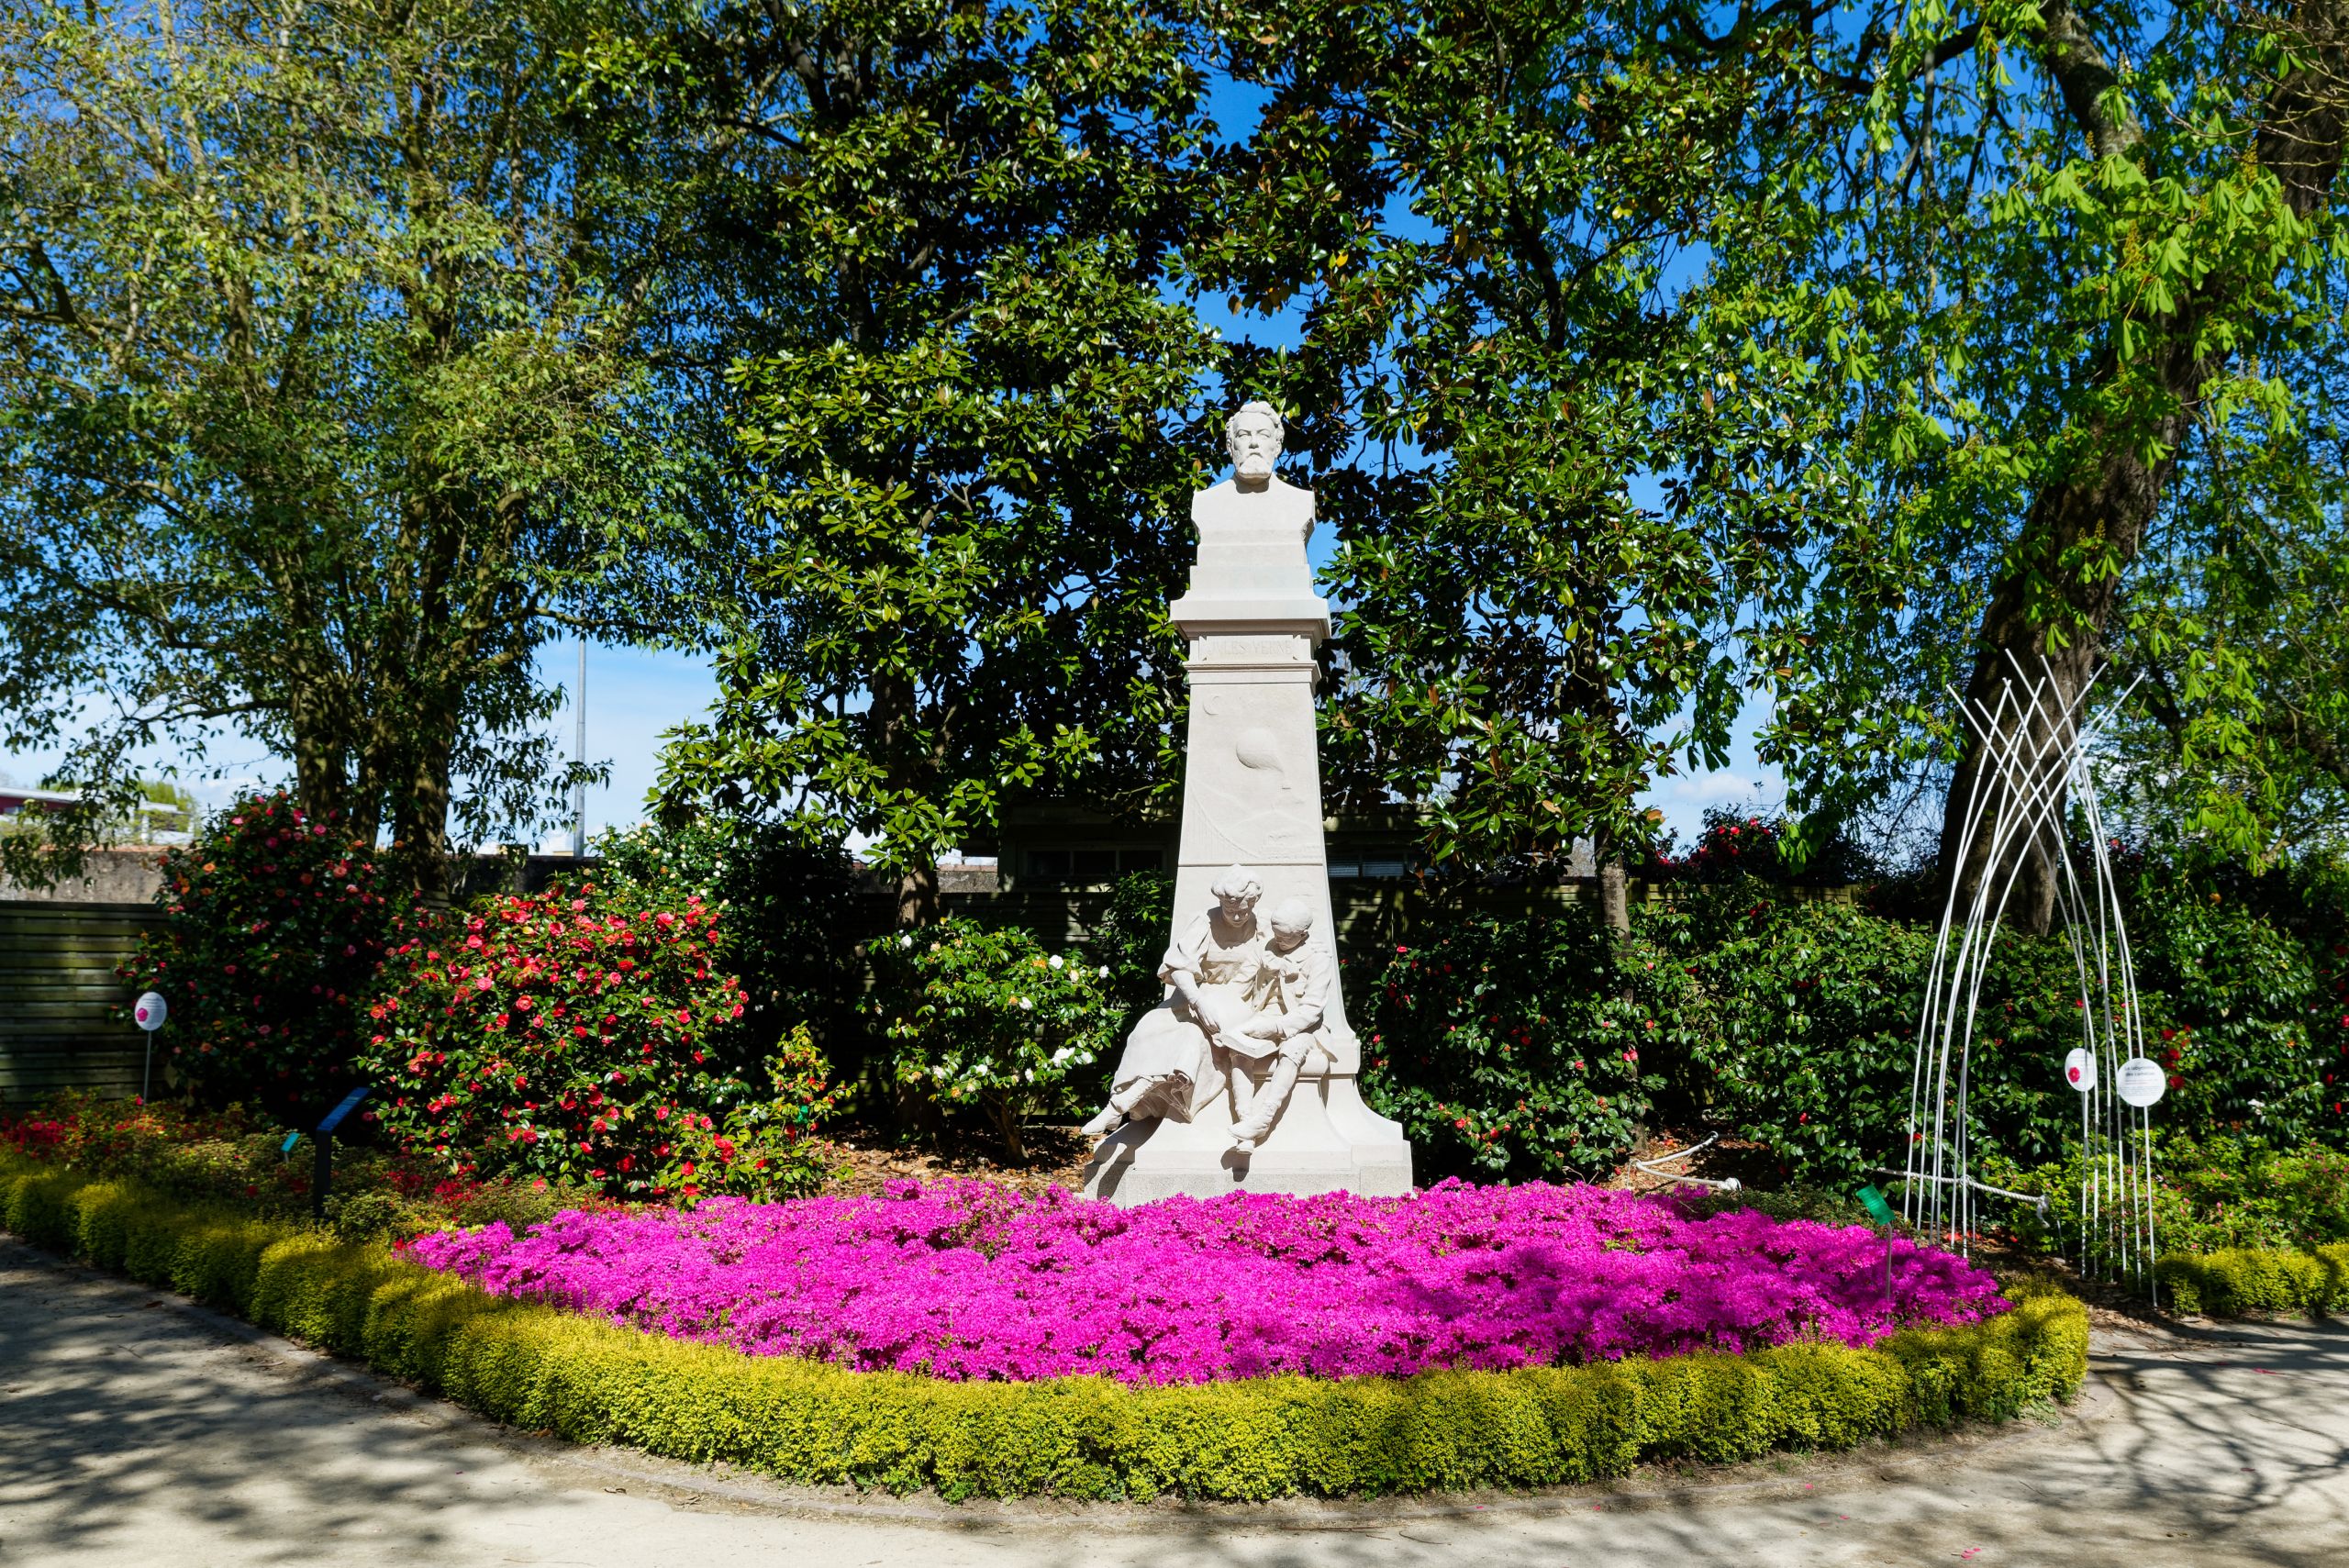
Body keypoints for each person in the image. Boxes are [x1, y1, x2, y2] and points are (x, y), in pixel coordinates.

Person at [1081, 865, 1276, 1139]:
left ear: (1253, 904)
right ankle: (1121, 1100)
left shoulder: (1264, 925)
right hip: (1195, 1000)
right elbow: (1178, 966)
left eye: (1243, 911)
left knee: (1193, 1035)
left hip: (1236, 1005)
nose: (1236, 916)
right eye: (1230, 910)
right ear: (1220, 901)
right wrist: (1198, 1001)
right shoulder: (1205, 921)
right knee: (1148, 1028)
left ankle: (1121, 1104)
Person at [1221, 898, 1337, 1151]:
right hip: (1260, 1017)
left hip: (1301, 1025)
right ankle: (1246, 1124)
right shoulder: (1265, 948)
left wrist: (1275, 1028)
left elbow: (1312, 1009)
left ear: (1303, 934)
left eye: (1286, 937)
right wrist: (1220, 1008)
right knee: (1238, 1051)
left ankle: (1264, 1119)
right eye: (1276, 934)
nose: (1279, 940)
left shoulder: (1318, 958)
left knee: (1292, 1051)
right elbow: (1240, 984)